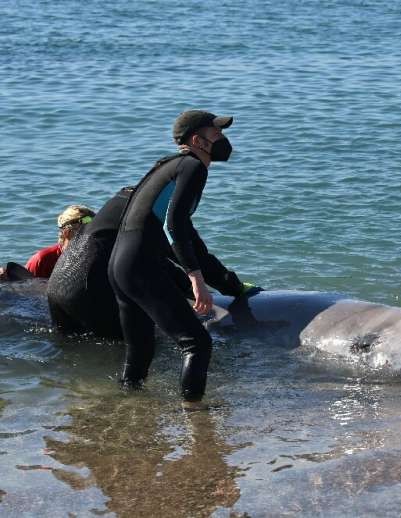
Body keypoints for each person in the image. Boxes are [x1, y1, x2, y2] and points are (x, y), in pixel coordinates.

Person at [108, 110, 242, 408]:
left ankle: (127, 415)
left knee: (140, 351)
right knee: (197, 344)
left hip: (120, 265)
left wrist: (227, 282)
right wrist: (196, 281)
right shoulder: (193, 167)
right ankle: (197, 421)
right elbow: (175, 225)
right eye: (216, 133)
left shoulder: (168, 166)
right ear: (198, 140)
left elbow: (185, 234)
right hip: (141, 265)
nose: (223, 138)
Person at [47, 185, 256, 338]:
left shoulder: (121, 202)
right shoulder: (156, 212)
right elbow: (183, 256)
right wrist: (231, 287)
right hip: (86, 292)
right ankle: (128, 395)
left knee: (75, 352)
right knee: (147, 344)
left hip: (57, 289)